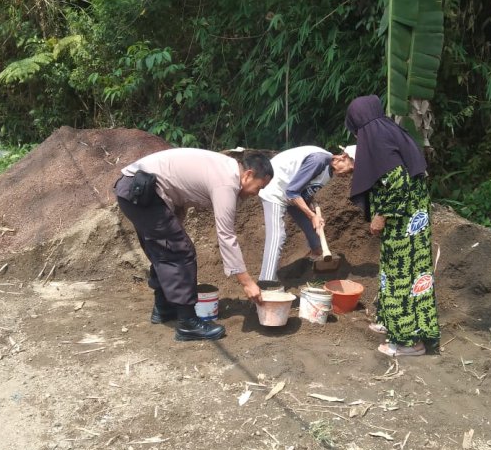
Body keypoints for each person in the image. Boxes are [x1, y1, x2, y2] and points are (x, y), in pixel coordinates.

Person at [115, 148, 274, 342]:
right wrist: (247, 282)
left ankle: (163, 308)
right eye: (259, 187)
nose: (257, 194)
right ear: (248, 175)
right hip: (140, 190)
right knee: (180, 252)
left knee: (166, 249)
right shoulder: (226, 181)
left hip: (136, 188)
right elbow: (226, 235)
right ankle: (188, 323)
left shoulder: (224, 168)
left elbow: (179, 196)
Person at [345, 95, 439, 357]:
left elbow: (397, 182)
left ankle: (409, 342)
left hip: (403, 221)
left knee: (401, 276)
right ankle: (392, 323)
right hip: (411, 219)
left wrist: (381, 216)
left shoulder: (374, 137)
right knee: (399, 271)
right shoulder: (389, 130)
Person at [258, 145, 355, 282]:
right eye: (350, 169)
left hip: (289, 192)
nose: (348, 175)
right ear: (343, 157)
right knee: (277, 236)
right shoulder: (319, 160)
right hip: (275, 188)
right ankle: (266, 282)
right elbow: (292, 192)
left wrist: (313, 210)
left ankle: (317, 252)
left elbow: (303, 193)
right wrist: (312, 215)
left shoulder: (329, 171)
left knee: (313, 223)